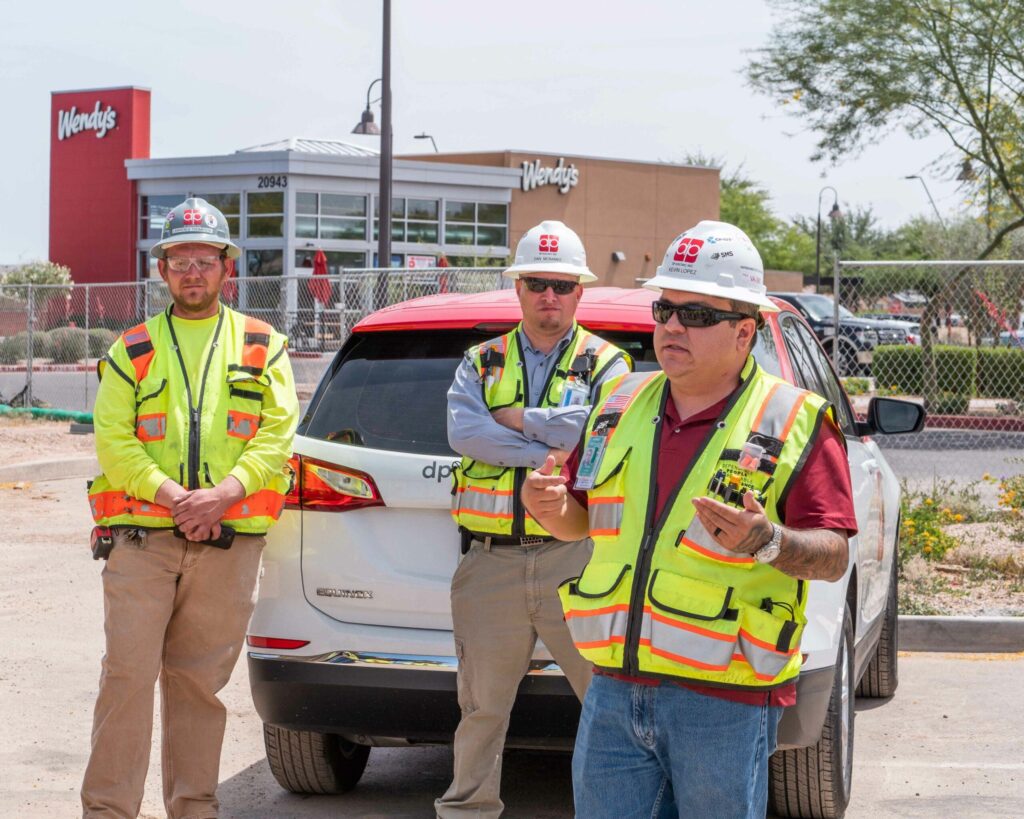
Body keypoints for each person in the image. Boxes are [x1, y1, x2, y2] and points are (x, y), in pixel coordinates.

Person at [522, 220, 858, 819]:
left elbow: (834, 555)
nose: (672, 326)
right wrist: (552, 508)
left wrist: (770, 542)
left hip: (725, 700)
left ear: (744, 332)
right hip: (613, 690)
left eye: (696, 314)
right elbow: (581, 523)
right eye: (665, 308)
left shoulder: (793, 419)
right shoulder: (619, 401)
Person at [81, 197, 298, 819]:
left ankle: (194, 808)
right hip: (143, 541)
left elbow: (277, 434)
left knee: (199, 687)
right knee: (126, 679)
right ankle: (108, 811)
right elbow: (114, 442)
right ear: (163, 270)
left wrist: (224, 495)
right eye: (181, 261)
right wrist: (176, 498)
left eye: (205, 260)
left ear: (227, 268)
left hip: (228, 541)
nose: (193, 272)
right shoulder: (133, 348)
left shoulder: (263, 345)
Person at [437, 220, 632, 818]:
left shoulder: (608, 363)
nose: (550, 295)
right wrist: (545, 447)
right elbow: (465, 433)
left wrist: (515, 418)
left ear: (581, 292)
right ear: (518, 287)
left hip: (577, 558)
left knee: (605, 705)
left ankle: (613, 810)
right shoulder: (480, 359)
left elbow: (598, 434)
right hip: (489, 561)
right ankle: (468, 812)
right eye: (538, 283)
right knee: (481, 708)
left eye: (563, 284)